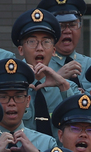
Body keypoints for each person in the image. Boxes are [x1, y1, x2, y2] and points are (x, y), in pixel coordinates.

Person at [11, 8, 80, 137]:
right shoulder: (9, 87)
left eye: (46, 42)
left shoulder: (67, 87)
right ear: (21, 50)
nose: (40, 48)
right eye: (32, 42)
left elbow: (82, 120)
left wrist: (63, 85)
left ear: (54, 51)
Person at [37, 0, 91, 90]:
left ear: (80, 27)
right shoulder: (37, 65)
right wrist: (58, 77)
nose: (67, 31)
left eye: (73, 25)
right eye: (61, 26)